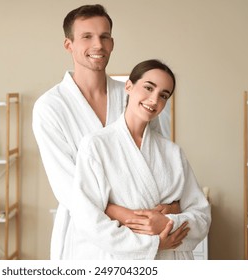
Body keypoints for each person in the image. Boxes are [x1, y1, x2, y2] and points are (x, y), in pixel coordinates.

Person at [32, 4, 181, 259]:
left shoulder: (132, 94)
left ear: (112, 43)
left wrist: (170, 207)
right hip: (87, 237)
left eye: (104, 36)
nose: (98, 45)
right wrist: (131, 217)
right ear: (69, 45)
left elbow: (155, 158)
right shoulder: (50, 107)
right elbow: (68, 188)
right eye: (86, 36)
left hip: (145, 228)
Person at [65, 59, 211, 259]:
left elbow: (202, 216)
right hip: (122, 260)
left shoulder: (173, 152)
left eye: (163, 95)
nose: (154, 100)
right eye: (148, 88)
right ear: (129, 86)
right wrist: (153, 244)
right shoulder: (96, 145)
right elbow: (88, 218)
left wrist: (168, 222)